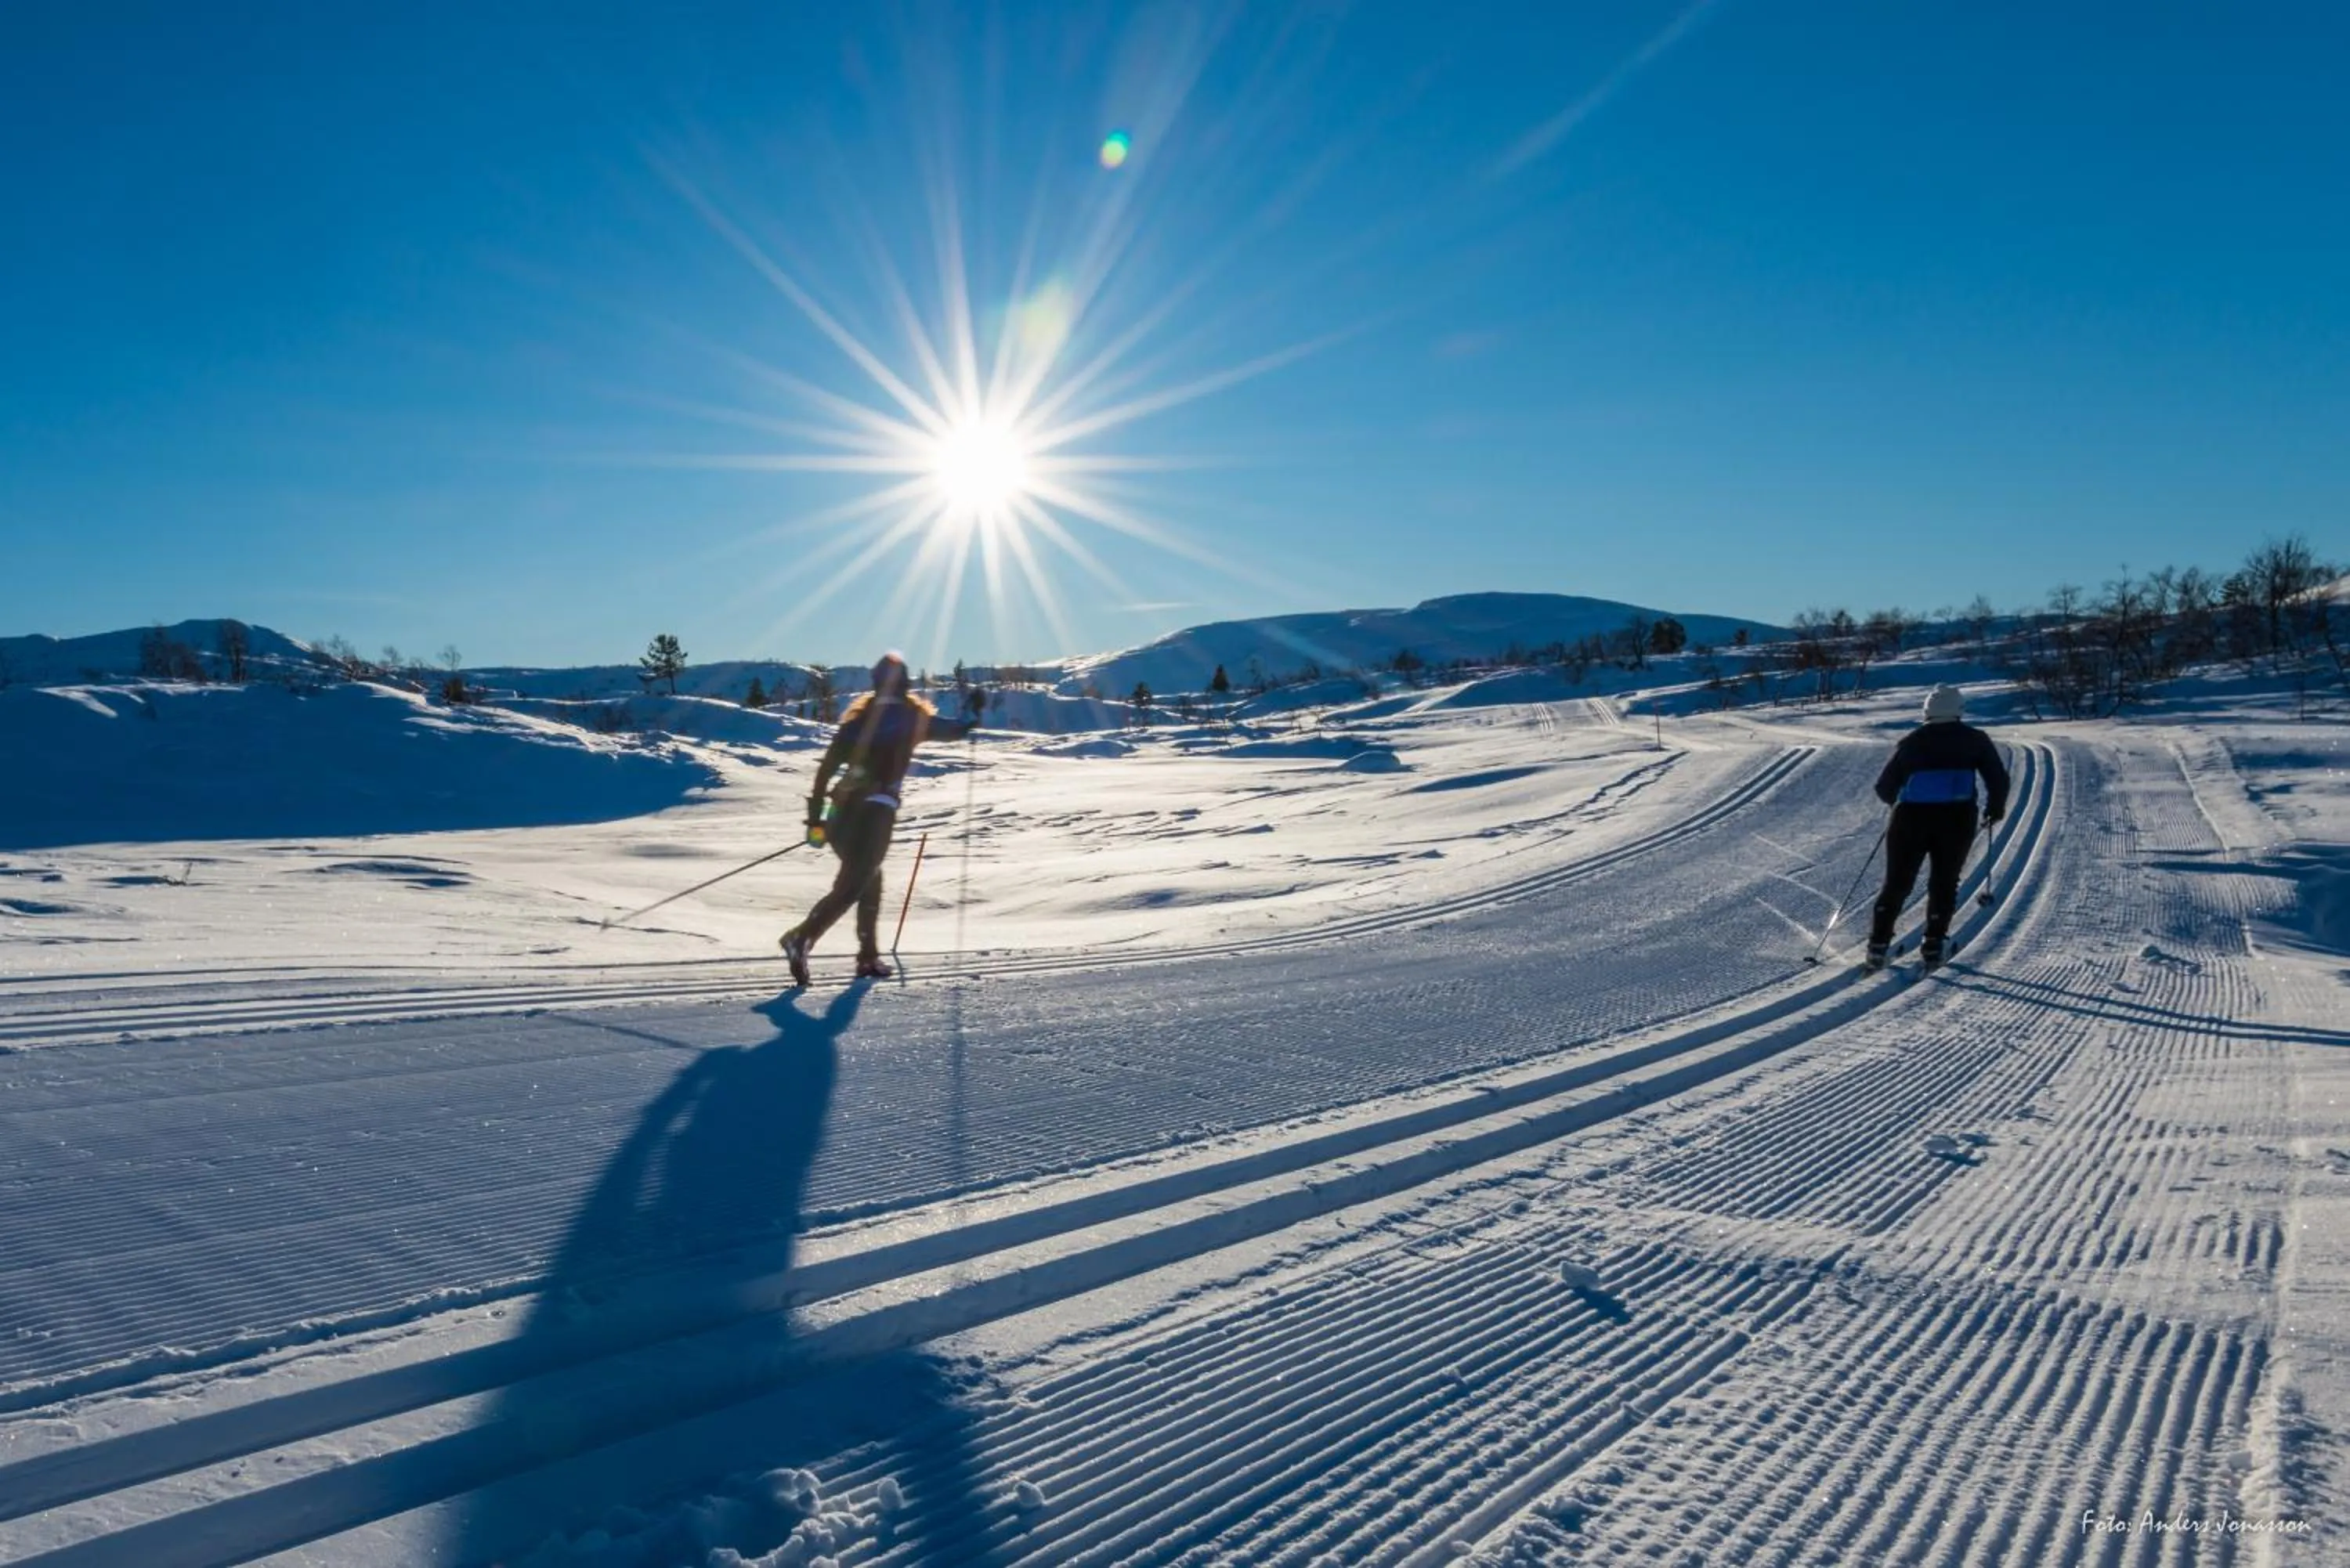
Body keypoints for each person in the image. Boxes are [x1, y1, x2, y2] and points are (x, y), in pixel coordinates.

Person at [780, 652, 978, 985]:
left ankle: (867, 958)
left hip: (840, 816)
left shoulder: (856, 722)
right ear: (905, 684)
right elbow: (957, 729)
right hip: (875, 813)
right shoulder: (911, 717)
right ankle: (801, 938)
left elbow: (824, 773)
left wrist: (816, 822)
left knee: (868, 879)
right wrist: (975, 710)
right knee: (856, 883)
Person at [1866, 684, 2009, 971]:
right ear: (1958, 710)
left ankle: (1878, 945)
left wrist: (1899, 803)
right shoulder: (1976, 740)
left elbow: (1884, 786)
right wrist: (1994, 810)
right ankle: (1933, 945)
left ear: (1927, 710)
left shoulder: (1911, 742)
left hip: (1909, 820)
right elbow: (1998, 779)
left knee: (1897, 882)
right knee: (1944, 882)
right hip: (1956, 819)